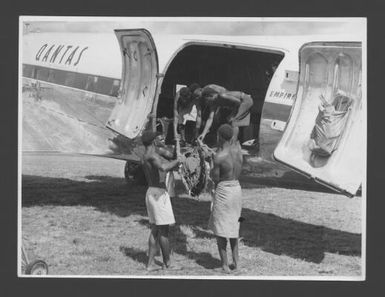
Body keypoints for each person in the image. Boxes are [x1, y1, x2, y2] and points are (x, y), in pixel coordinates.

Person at [141, 130, 182, 271]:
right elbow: (164, 167)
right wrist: (178, 161)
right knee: (164, 231)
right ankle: (167, 263)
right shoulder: (152, 155)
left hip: (151, 193)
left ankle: (150, 264)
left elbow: (168, 158)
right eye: (157, 138)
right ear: (153, 141)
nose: (159, 139)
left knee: (155, 230)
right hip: (158, 194)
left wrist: (177, 145)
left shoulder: (145, 155)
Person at [208, 124, 243, 273]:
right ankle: (237, 263)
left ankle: (225, 266)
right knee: (234, 227)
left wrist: (211, 162)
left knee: (221, 228)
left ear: (219, 136)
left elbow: (214, 178)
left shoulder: (219, 156)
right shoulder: (238, 150)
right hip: (237, 188)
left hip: (224, 191)